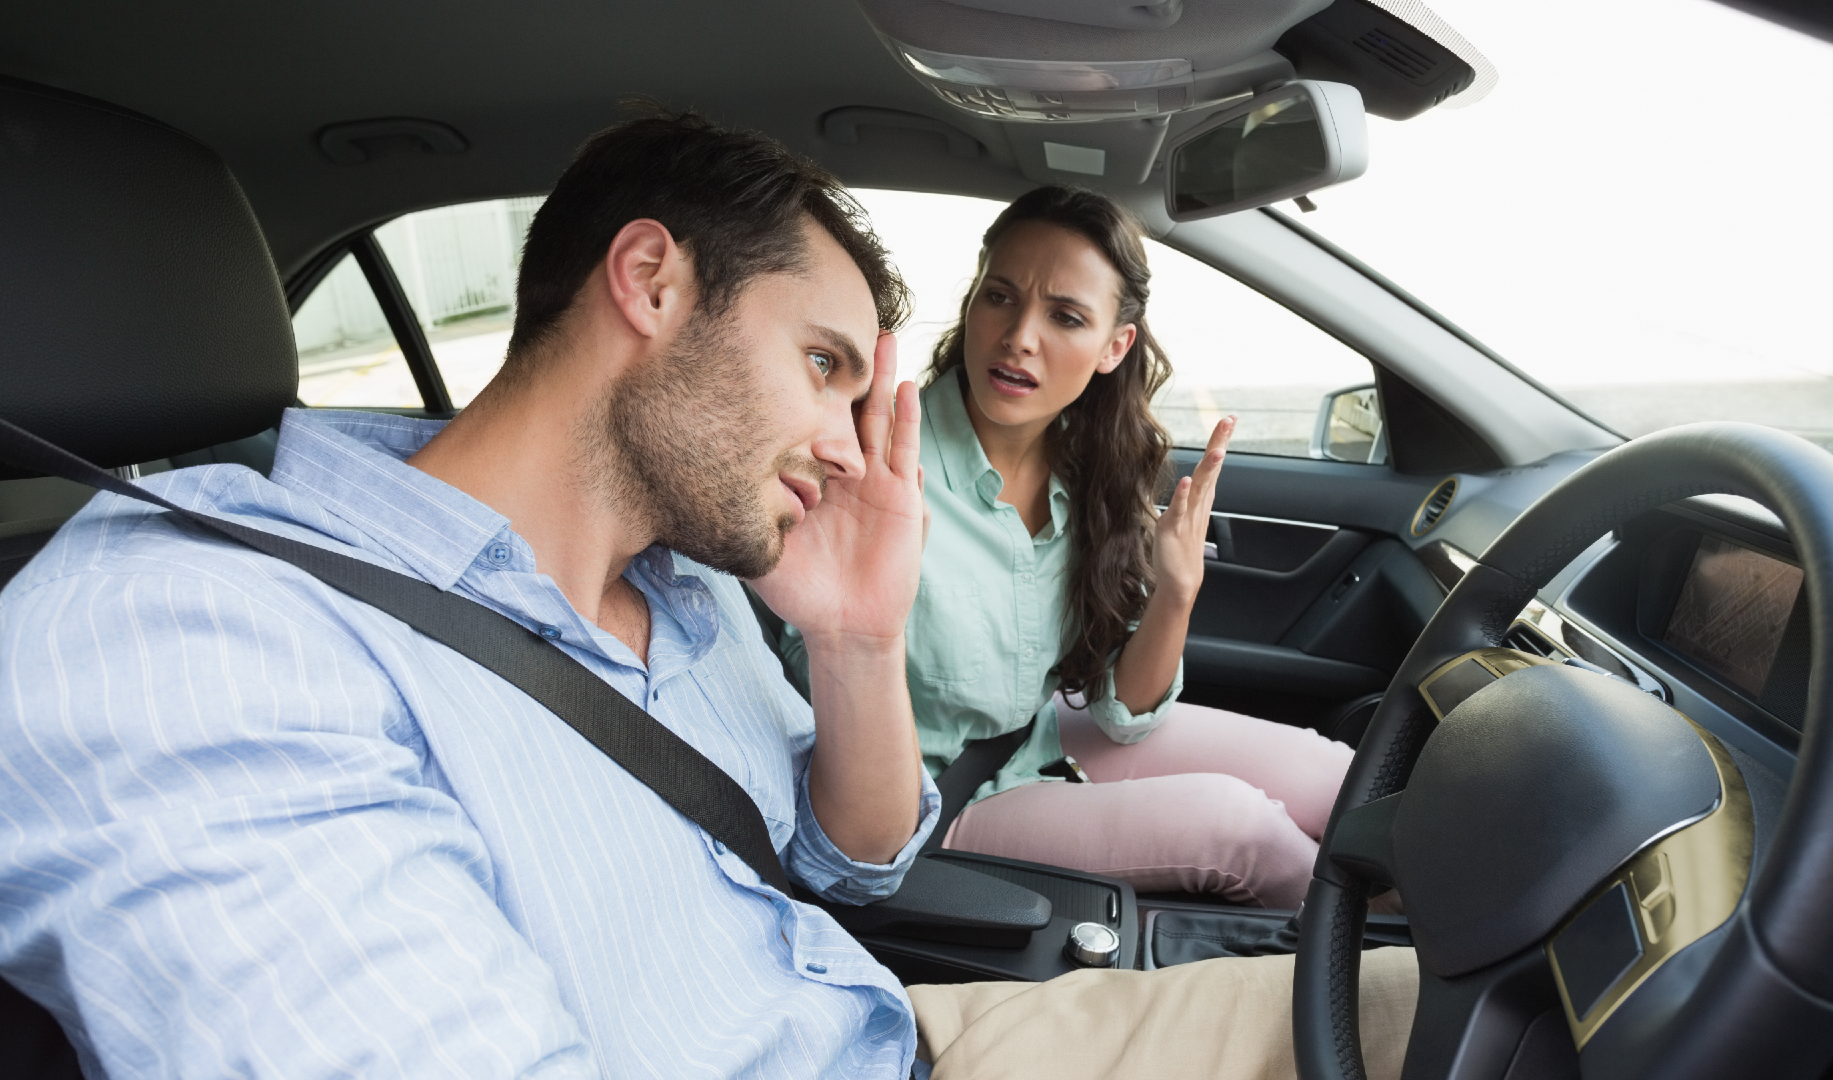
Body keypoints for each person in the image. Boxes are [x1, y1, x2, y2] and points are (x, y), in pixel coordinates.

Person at [0, 111, 1414, 1079]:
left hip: (896, 1036)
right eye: (823, 368)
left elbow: (854, 865)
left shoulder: (682, 585)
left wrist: (858, 645)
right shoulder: (191, 635)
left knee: (1471, 1012)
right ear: (651, 283)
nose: (849, 444)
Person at [779, 187, 1358, 910]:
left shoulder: (1091, 475)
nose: (1019, 335)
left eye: (1065, 316)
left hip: (1034, 737)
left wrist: (1176, 592)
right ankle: (1393, 964)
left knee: (1334, 774)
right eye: (1000, 296)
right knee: (1241, 828)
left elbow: (1122, 712)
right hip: (926, 799)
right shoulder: (878, 465)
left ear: (1115, 346)